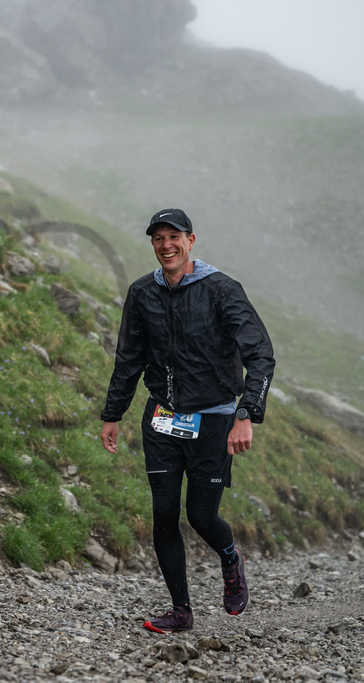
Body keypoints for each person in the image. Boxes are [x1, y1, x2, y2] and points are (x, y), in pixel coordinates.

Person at [99, 208, 275, 633]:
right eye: (158, 238)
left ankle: (231, 558)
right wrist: (112, 413)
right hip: (161, 418)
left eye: (174, 236)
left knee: (199, 515)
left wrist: (246, 413)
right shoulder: (142, 293)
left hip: (214, 419)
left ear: (191, 241)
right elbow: (129, 359)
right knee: (163, 513)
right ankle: (181, 610)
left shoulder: (221, 290)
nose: (166, 245)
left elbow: (261, 355)